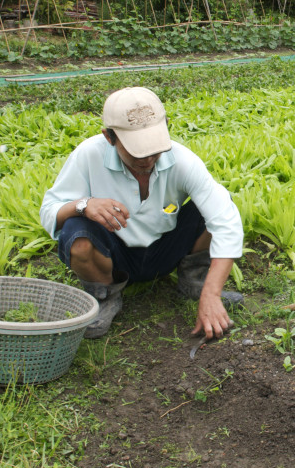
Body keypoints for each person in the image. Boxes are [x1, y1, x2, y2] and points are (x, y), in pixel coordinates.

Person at [40, 86, 244, 340]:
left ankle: (194, 281)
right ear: (109, 137)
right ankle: (105, 295)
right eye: (136, 151)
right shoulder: (88, 155)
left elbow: (226, 222)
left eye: (154, 149)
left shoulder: (183, 161)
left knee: (215, 208)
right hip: (114, 256)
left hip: (166, 248)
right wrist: (84, 204)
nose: (147, 159)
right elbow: (49, 212)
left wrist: (212, 294)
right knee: (76, 232)